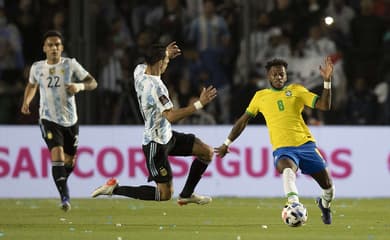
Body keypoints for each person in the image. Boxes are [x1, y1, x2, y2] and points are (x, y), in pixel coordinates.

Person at [91, 42, 217, 205]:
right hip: (155, 144)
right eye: (166, 62)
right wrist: (199, 104)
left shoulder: (139, 71)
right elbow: (171, 116)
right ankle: (114, 189)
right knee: (165, 194)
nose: (167, 65)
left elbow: (149, 60)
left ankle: (187, 194)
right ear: (159, 62)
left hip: (167, 136)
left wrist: (164, 53)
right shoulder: (156, 88)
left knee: (206, 152)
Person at [215, 57, 335, 224]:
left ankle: (324, 204)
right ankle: (294, 204)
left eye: (281, 74)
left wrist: (327, 81)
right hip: (283, 149)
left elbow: (324, 105)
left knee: (329, 187)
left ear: (286, 76)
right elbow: (243, 121)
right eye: (275, 74)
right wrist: (227, 143)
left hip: (306, 145)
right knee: (287, 170)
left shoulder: (297, 91)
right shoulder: (260, 97)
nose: (278, 77)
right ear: (268, 76)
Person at [20, 30, 98, 211]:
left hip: (70, 120)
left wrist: (79, 86)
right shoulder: (37, 68)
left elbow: (93, 83)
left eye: (57, 45)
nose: (54, 48)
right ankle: (65, 196)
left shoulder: (71, 65)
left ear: (62, 48)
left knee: (70, 162)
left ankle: (62, 182)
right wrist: (26, 101)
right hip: (48, 118)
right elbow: (32, 85)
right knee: (57, 154)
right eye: (50, 45)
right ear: (44, 48)